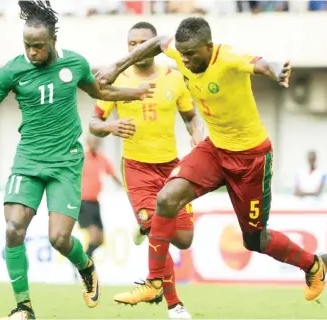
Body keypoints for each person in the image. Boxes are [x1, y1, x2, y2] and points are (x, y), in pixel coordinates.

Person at [96, 16, 327, 305]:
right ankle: (155, 282)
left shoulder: (229, 58)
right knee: (167, 198)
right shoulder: (180, 51)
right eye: (181, 54)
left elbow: (259, 62)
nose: (184, 59)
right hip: (215, 149)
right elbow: (158, 42)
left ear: (208, 47)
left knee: (255, 240)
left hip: (250, 159)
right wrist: (115, 66)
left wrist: (274, 69)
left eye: (191, 55)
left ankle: (312, 264)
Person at [0, 1, 153, 319]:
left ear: (53, 42)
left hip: (65, 162)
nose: (32, 53)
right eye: (27, 46)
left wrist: (134, 93)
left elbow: (99, 92)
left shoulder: (75, 64)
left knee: (59, 238)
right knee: (12, 229)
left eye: (38, 46)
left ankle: (86, 266)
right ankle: (23, 308)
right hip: (28, 161)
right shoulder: (12, 70)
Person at [90, 21, 203, 319]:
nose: (137, 47)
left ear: (155, 45)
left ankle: (143, 226)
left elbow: (191, 117)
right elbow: (94, 123)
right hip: (136, 168)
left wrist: (197, 133)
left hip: (171, 167)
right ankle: (174, 305)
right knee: (159, 233)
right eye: (132, 43)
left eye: (143, 42)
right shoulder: (116, 80)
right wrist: (110, 126)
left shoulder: (175, 79)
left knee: (184, 238)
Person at [79, 135, 123, 259]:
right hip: (83, 202)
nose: (94, 145)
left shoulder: (101, 159)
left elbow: (113, 175)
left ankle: (83, 260)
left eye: (96, 142)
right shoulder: (81, 158)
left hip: (95, 203)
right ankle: (84, 263)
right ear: (87, 143)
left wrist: (125, 187)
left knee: (100, 240)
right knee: (94, 235)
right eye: (92, 142)